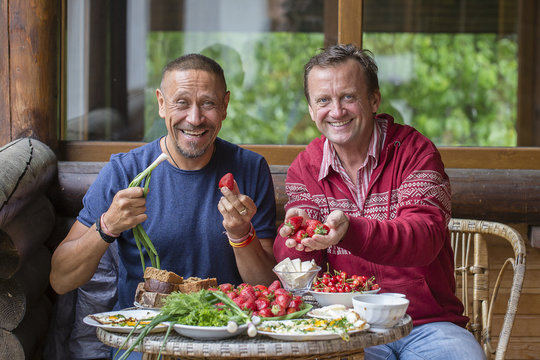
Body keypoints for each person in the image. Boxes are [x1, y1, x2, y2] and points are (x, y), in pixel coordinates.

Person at [49, 53, 277, 358]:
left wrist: (241, 236)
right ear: (161, 103)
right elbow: (60, 279)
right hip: (144, 342)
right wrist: (107, 227)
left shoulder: (250, 169)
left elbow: (268, 288)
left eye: (208, 104)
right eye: (181, 102)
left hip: (228, 342)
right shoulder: (125, 171)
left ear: (225, 106)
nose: (195, 119)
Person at [273, 44, 485, 360]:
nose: (336, 111)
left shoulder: (416, 152)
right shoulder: (305, 167)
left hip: (426, 324)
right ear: (310, 109)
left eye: (348, 97)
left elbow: (425, 237)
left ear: (374, 100)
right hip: (346, 327)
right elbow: (297, 272)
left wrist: (349, 230)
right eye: (323, 100)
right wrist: (297, 236)